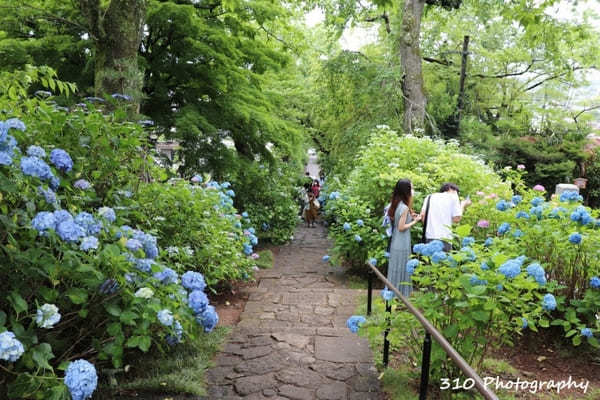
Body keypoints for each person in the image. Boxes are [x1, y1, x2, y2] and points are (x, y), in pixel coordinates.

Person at [387, 179, 421, 297]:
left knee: (396, 269)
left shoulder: (396, 204)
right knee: (402, 268)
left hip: (396, 241)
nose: (413, 190)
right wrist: (415, 221)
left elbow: (397, 222)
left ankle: (393, 294)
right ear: (406, 191)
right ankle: (400, 296)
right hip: (401, 242)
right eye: (411, 188)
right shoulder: (404, 207)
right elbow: (401, 227)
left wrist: (411, 217)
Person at [420, 183, 472, 251]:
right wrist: (462, 205)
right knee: (444, 260)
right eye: (457, 192)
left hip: (429, 237)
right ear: (451, 189)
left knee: (431, 260)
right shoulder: (453, 197)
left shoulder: (429, 197)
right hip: (445, 239)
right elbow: (457, 219)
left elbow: (423, 216)